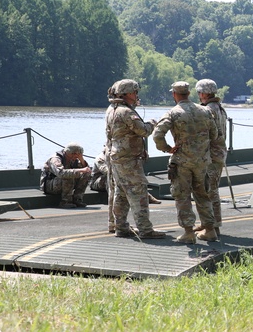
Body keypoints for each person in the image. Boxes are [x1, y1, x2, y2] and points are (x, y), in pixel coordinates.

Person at [153, 81, 218, 244]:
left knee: (182, 195)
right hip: (202, 161)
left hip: (182, 161)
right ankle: (209, 230)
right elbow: (215, 134)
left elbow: (157, 135)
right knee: (203, 194)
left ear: (174, 94)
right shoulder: (204, 111)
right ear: (189, 94)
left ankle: (189, 232)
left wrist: (167, 148)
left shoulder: (173, 113)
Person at [105, 79, 167, 239]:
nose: (136, 95)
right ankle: (145, 229)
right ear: (126, 94)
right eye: (134, 92)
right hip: (128, 159)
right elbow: (143, 130)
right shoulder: (126, 112)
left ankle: (121, 227)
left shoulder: (111, 109)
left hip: (116, 157)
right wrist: (153, 123)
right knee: (138, 191)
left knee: (121, 193)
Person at [196, 78, 227, 235]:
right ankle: (207, 223)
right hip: (219, 154)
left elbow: (205, 135)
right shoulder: (220, 109)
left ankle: (213, 226)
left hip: (210, 156)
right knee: (211, 189)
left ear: (203, 94)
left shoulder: (208, 110)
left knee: (210, 191)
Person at [40, 143, 91, 208]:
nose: (77, 157)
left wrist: (81, 159)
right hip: (50, 186)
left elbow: (87, 169)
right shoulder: (56, 159)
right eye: (77, 155)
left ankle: (77, 199)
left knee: (86, 174)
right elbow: (61, 173)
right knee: (69, 175)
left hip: (63, 184)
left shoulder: (73, 159)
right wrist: (80, 170)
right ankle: (65, 202)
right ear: (72, 153)